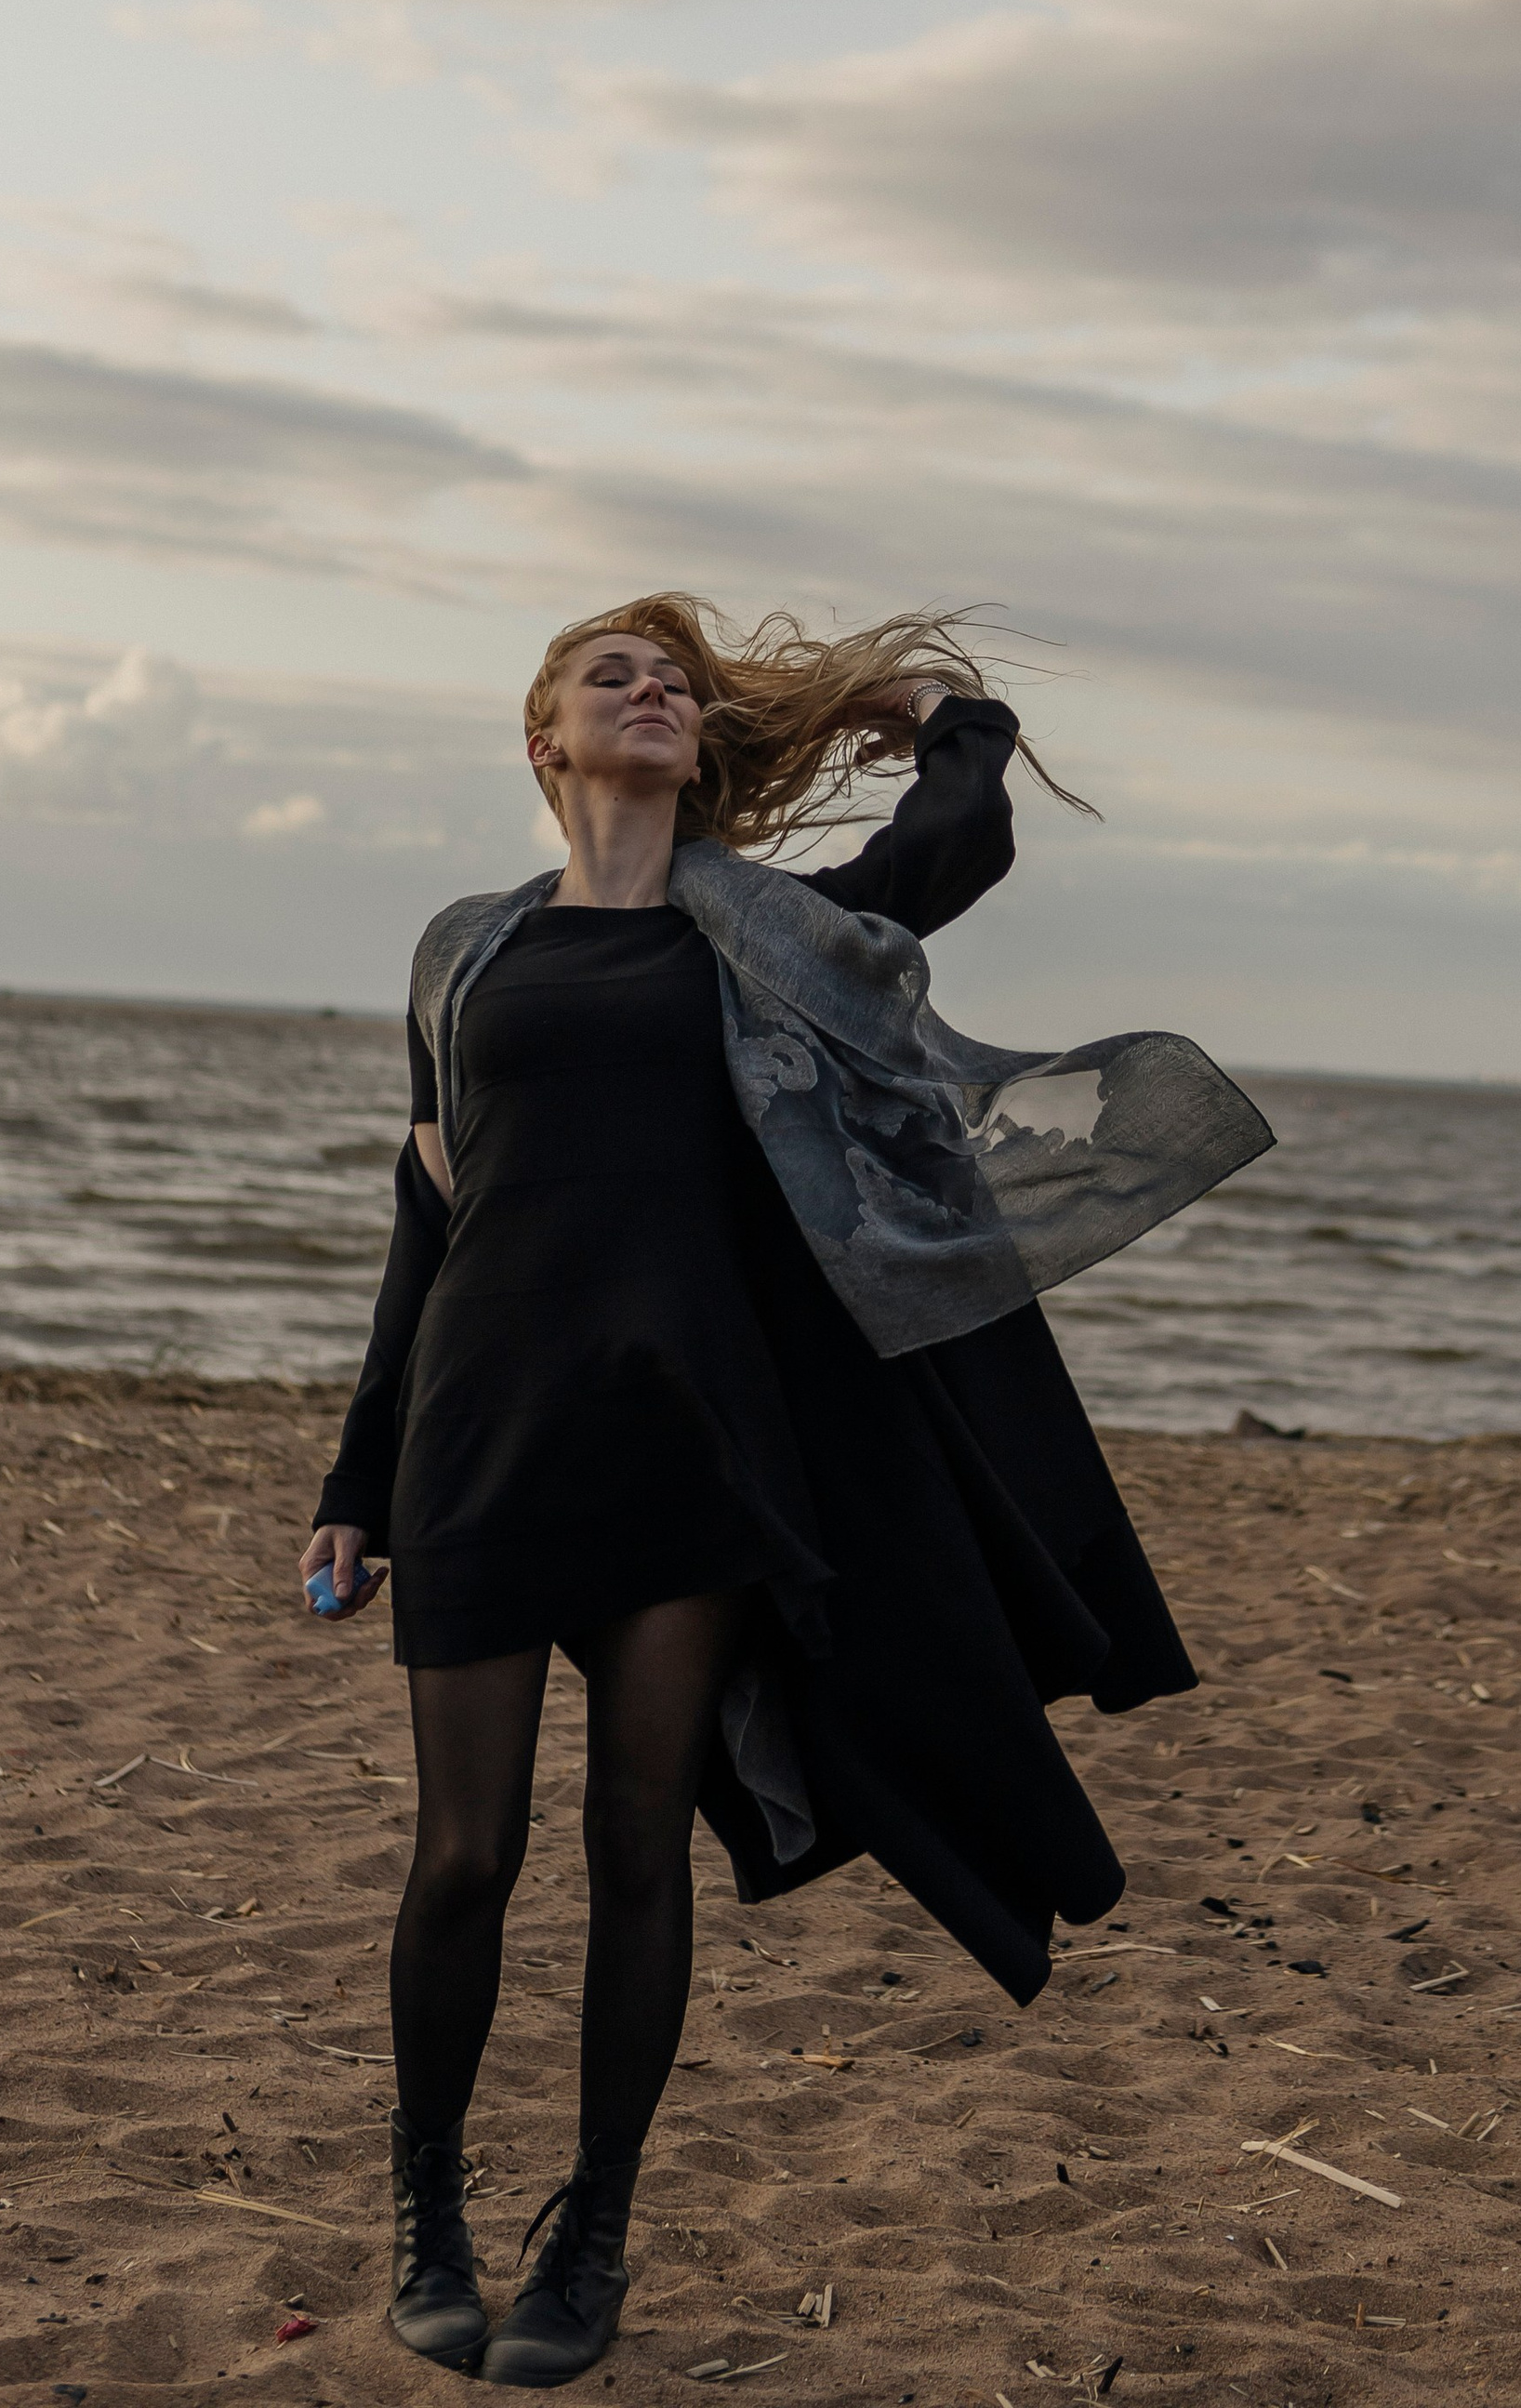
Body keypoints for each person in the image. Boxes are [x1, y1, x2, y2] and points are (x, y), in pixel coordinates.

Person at [298, 596, 1267, 2387]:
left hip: (692, 1445)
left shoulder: (771, 935)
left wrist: (942, 715)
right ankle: (429, 2215)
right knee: (462, 1857)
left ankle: (589, 2233)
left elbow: (956, 838)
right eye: (616, 676)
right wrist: (355, 1472)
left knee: (635, 1845)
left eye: (674, 677)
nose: (653, 691)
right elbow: (430, 1215)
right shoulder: (464, 952)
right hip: (481, 1437)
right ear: (547, 741)